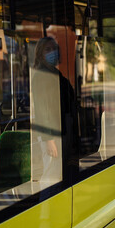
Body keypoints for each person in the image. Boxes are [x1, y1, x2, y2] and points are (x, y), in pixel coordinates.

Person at [30, 37, 76, 188]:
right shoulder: (42, 75)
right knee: (51, 176)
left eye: (54, 49)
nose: (52, 53)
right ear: (40, 54)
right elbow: (42, 109)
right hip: (52, 134)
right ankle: (46, 208)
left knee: (58, 174)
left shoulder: (55, 73)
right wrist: (49, 140)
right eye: (47, 50)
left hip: (61, 129)